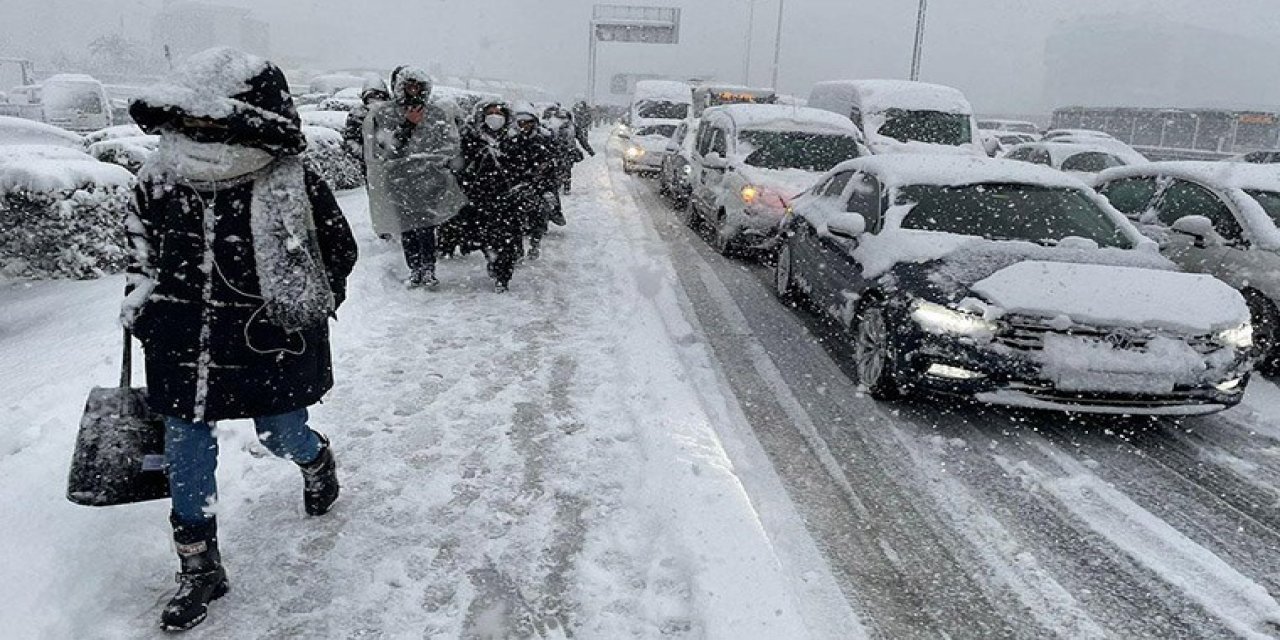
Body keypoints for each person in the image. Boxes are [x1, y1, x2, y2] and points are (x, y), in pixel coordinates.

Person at [123, 47, 358, 632]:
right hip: (181, 340)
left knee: (281, 434)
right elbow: (139, 253)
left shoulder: (291, 179)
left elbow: (337, 251)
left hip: (266, 339)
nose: (200, 128)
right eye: (193, 117)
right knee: (186, 448)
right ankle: (200, 569)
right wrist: (143, 307)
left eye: (213, 118)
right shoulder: (157, 176)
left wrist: (301, 305)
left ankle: (314, 457)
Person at [363, 66, 466, 288]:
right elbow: (386, 149)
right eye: (409, 85)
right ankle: (415, 269)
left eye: (418, 86)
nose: (414, 90)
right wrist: (408, 125)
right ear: (400, 87)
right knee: (407, 226)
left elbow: (449, 145)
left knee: (426, 225)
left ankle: (428, 268)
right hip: (399, 180)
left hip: (429, 179)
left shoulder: (436, 114)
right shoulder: (386, 114)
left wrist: (437, 164)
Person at [458, 100, 525, 291]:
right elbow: (462, 166)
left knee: (507, 240)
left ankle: (503, 276)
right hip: (480, 197)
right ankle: (492, 258)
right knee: (485, 237)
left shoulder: (515, 140)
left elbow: (522, 166)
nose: (495, 117)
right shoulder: (472, 138)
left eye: (499, 113)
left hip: (508, 198)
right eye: (491, 112)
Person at [510, 104, 560, 259]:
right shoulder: (511, 141)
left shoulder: (544, 140)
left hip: (539, 185)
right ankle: (517, 249)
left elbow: (551, 164)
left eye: (527, 122)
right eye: (521, 122)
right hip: (517, 185)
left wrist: (545, 185)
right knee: (513, 220)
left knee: (538, 216)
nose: (524, 126)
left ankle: (535, 243)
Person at [342, 78, 390, 169]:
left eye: (379, 97)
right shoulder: (357, 115)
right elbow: (350, 140)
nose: (375, 102)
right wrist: (365, 154)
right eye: (371, 98)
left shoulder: (390, 115)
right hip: (366, 164)